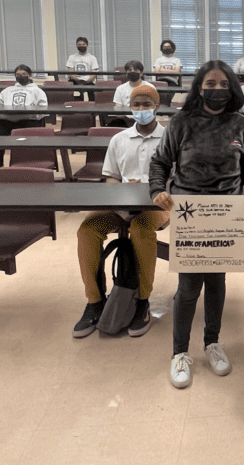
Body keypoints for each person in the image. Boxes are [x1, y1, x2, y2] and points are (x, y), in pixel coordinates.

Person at [149, 60, 244, 389]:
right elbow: (159, 161)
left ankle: (212, 343)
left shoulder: (242, 125)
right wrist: (158, 189)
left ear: (232, 87)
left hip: (226, 214)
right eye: (210, 84)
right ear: (199, 87)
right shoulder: (181, 122)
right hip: (191, 215)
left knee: (216, 282)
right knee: (188, 288)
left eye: (222, 84)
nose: (216, 90)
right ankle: (179, 353)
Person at [74, 85, 170, 338]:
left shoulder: (170, 138)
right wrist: (121, 201)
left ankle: (143, 301)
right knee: (87, 230)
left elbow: (178, 180)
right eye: (136, 105)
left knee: (140, 229)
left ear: (156, 107)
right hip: (120, 207)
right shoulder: (119, 139)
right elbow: (111, 178)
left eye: (146, 104)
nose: (141, 110)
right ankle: (94, 301)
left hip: (158, 207)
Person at [0, 64, 47, 167]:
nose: (21, 76)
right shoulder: (7, 90)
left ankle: (28, 164)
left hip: (29, 120)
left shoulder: (38, 91)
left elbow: (43, 107)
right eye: (18, 74)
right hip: (8, 121)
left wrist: (31, 113)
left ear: (30, 75)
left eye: (24, 74)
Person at [108, 60, 154, 128]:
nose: (132, 72)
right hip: (125, 119)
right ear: (126, 73)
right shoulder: (120, 88)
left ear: (141, 73)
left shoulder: (150, 88)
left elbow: (151, 107)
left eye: (135, 70)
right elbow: (118, 108)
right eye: (130, 70)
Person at [67, 36, 99, 101]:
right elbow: (71, 71)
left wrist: (86, 82)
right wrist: (78, 81)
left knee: (92, 90)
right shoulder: (72, 57)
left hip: (88, 81)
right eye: (79, 45)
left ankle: (92, 109)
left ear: (87, 45)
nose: (81, 46)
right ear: (76, 46)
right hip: (75, 81)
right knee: (68, 88)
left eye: (83, 44)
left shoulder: (92, 58)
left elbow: (94, 73)